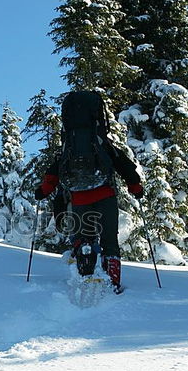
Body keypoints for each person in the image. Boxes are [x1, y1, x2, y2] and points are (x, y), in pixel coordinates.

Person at [34, 94, 143, 292]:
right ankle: (112, 278)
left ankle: (85, 261)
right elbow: (123, 164)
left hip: (79, 198)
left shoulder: (69, 146)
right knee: (109, 239)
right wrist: (135, 187)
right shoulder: (101, 142)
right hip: (105, 194)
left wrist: (43, 191)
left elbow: (54, 173)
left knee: (84, 234)